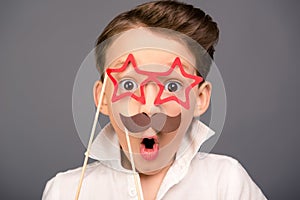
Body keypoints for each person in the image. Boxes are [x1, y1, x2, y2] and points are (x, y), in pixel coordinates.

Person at [42, 1, 267, 199]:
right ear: (103, 98)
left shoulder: (227, 182)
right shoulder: (65, 191)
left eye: (172, 86)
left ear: (200, 98)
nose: (149, 108)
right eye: (128, 84)